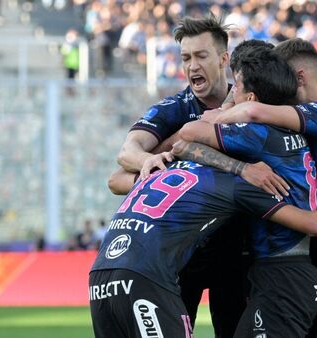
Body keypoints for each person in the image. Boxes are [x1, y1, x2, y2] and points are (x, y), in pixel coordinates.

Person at [172, 47, 317, 338]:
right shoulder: (293, 131)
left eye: (238, 88)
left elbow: (187, 136)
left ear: (250, 98)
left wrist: (223, 114)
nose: (231, 93)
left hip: (283, 273)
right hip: (289, 271)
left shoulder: (258, 134)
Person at [90, 160, 317, 338]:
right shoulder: (236, 183)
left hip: (99, 277)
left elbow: (116, 179)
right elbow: (308, 223)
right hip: (146, 279)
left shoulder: (171, 165)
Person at [106, 14, 249, 337]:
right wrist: (150, 165)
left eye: (201, 56)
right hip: (182, 254)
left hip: (238, 250)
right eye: (186, 58)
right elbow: (125, 156)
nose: (192, 65)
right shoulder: (174, 109)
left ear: (224, 59)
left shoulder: (250, 105)